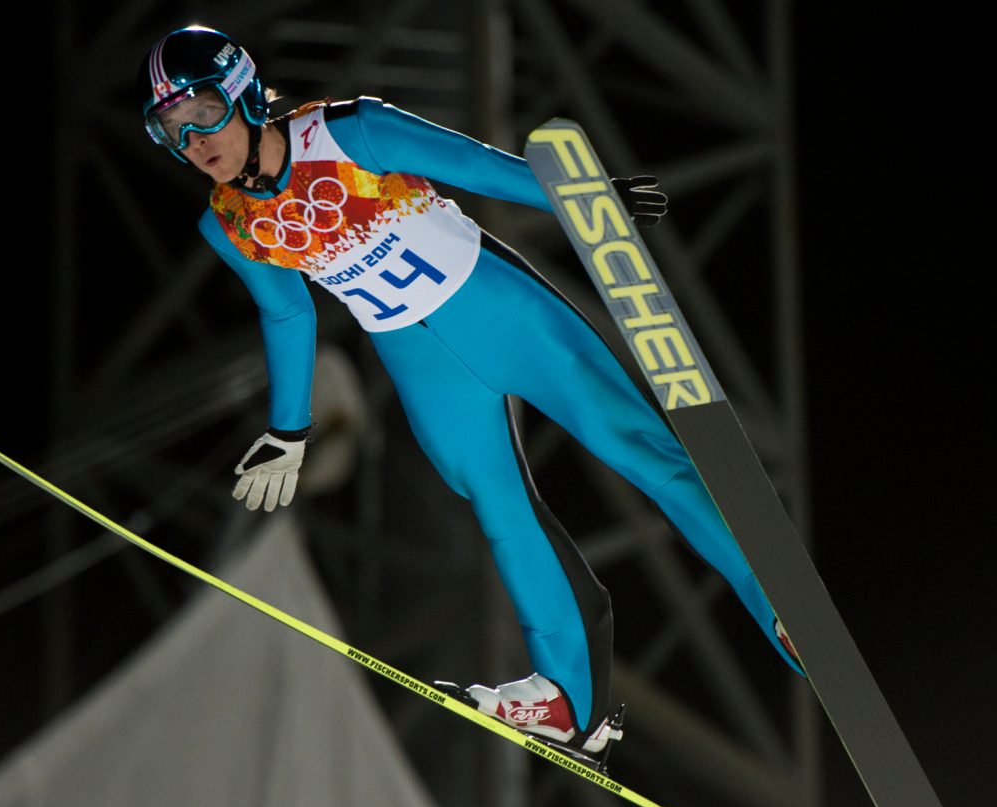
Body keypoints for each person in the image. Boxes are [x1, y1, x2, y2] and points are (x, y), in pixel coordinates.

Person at [137, 25, 803, 755]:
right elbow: (288, 310)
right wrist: (289, 427)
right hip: (421, 365)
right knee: (501, 510)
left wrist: (585, 203)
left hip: (498, 310)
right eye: (171, 129)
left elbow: (474, 166)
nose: (193, 140)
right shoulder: (227, 220)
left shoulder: (349, 130)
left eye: (201, 112)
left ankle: (776, 602)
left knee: (637, 448)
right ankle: (571, 703)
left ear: (241, 94)